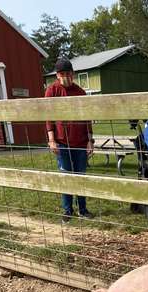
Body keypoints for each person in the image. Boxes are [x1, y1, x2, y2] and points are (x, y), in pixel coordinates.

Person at [45, 57, 95, 223]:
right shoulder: (52, 91)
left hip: (80, 141)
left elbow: (87, 119)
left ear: (72, 74)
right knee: (66, 176)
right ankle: (67, 210)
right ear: (57, 75)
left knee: (80, 176)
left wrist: (90, 140)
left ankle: (83, 208)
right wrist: (51, 139)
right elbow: (48, 117)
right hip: (62, 142)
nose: (65, 76)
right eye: (62, 73)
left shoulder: (80, 92)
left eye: (68, 73)